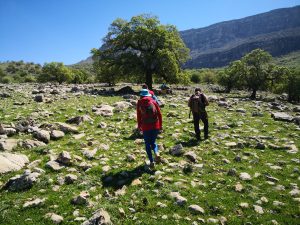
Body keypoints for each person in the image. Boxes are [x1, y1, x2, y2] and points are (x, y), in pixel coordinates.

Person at [137, 89, 162, 169]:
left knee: (147, 144)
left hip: (145, 126)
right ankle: (156, 152)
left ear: (141, 95)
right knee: (153, 142)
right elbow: (159, 114)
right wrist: (160, 125)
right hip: (155, 126)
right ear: (148, 95)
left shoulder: (139, 103)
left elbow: (139, 116)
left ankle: (151, 161)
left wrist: (139, 126)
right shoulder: (153, 101)